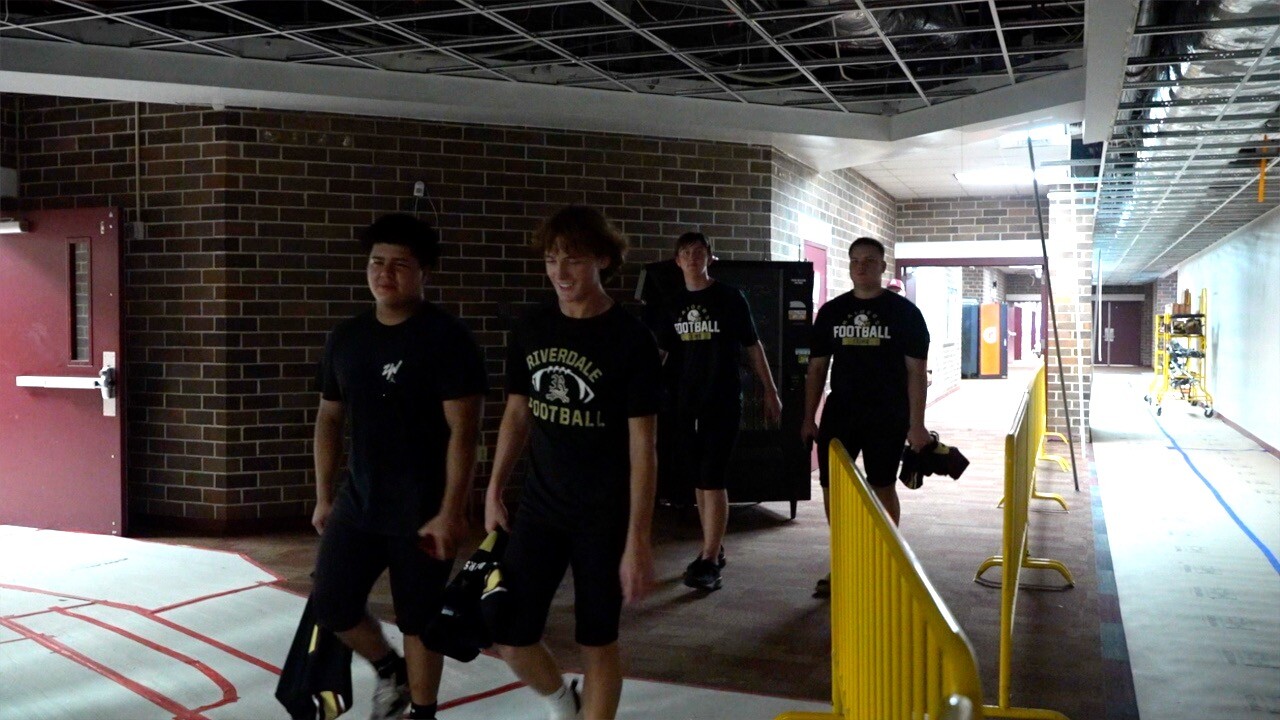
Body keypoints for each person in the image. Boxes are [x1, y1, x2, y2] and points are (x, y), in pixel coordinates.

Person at [485, 205, 660, 720]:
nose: (561, 272)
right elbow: (516, 414)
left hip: (603, 517)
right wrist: (494, 487)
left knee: (597, 640)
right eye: (552, 259)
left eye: (574, 260)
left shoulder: (630, 340)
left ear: (604, 260)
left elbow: (643, 447)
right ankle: (566, 703)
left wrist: (638, 539)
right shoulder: (532, 327)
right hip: (540, 509)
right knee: (510, 633)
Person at [311, 213, 488, 720]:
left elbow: (465, 432)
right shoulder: (347, 337)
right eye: (376, 263)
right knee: (333, 603)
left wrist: (452, 511)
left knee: (420, 620)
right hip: (359, 501)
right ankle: (390, 670)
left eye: (399, 265)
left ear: (423, 272)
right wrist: (325, 495)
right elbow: (329, 418)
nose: (384, 274)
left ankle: (423, 712)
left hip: (423, 506)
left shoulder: (446, 337)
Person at [801, 237, 931, 599]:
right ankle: (843, 561)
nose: (862, 266)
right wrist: (808, 418)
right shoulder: (831, 312)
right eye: (856, 260)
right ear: (849, 266)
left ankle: (884, 558)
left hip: (887, 413)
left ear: (882, 266)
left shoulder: (904, 314)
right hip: (841, 412)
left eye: (870, 260)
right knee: (833, 488)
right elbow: (815, 370)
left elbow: (916, 372)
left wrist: (916, 424)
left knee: (883, 485)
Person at [658, 231, 782, 592]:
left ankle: (710, 560)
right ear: (677, 261)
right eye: (686, 252)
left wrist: (770, 391)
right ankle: (713, 545)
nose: (693, 257)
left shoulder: (729, 298)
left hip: (723, 398)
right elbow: (662, 352)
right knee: (699, 476)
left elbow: (753, 345)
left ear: (710, 258)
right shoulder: (673, 302)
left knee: (712, 476)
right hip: (684, 400)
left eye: (700, 251)